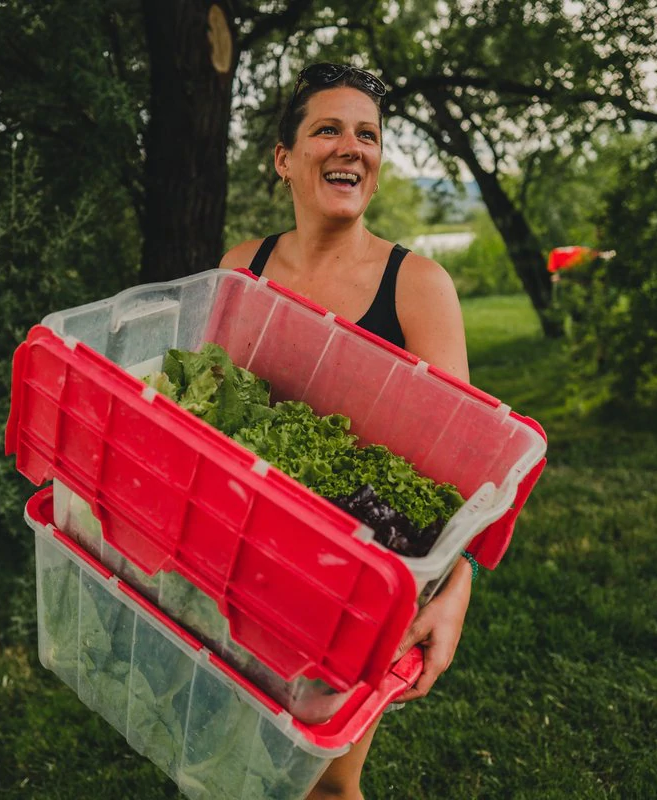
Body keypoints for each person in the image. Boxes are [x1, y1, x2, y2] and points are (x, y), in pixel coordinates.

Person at [219, 62, 476, 800]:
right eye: (327, 129)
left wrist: (452, 595)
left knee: (328, 782)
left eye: (367, 134)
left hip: (356, 581)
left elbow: (464, 472)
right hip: (246, 555)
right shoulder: (244, 269)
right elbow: (217, 419)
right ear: (284, 159)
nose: (351, 147)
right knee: (245, 763)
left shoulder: (417, 286)